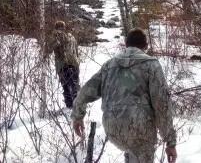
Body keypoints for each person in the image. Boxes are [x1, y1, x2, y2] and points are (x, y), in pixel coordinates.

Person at [71, 28, 177, 163]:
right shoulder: (151, 65)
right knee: (138, 147)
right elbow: (162, 104)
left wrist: (77, 116)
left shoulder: (109, 65)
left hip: (113, 130)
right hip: (140, 132)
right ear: (146, 46)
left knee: (130, 149)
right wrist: (170, 142)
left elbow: (86, 91)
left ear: (126, 44)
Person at [48, 20, 80, 108]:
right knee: (75, 86)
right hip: (74, 64)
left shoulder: (56, 37)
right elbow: (76, 52)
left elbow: (49, 49)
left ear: (56, 28)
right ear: (64, 27)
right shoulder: (72, 37)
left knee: (66, 87)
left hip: (63, 65)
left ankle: (69, 107)